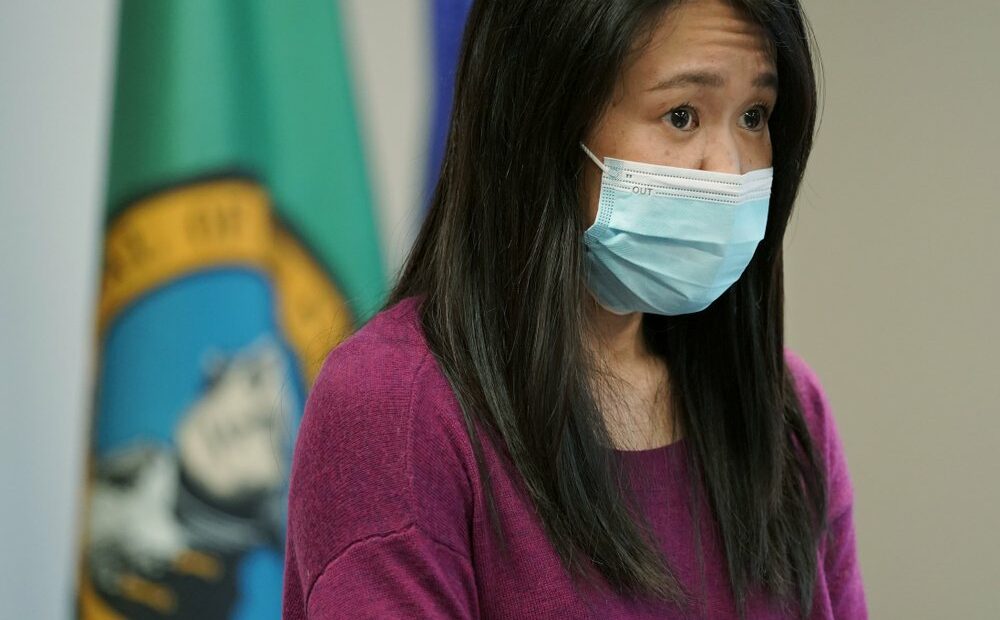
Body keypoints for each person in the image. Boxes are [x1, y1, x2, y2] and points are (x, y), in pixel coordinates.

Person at [282, 0, 867, 618]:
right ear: (547, 122)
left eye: (754, 115)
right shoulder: (395, 407)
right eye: (681, 115)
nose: (730, 168)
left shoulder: (787, 410)